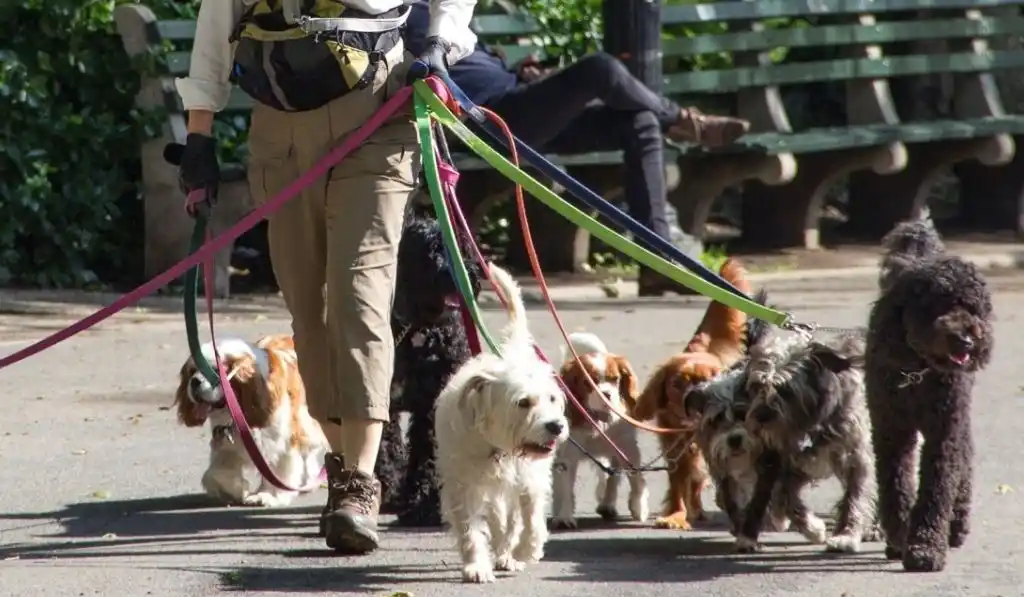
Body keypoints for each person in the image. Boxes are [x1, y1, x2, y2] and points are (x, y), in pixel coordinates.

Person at [173, 0, 478, 555]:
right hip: (280, 128)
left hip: (377, 113)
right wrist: (199, 138)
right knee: (308, 312)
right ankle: (341, 468)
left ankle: (360, 483)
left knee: (358, 298)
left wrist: (439, 43)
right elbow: (217, 22)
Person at [403, 0, 751, 296]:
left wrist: (524, 74)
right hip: (491, 118)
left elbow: (471, 67)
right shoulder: (404, 14)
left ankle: (657, 258)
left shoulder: (440, 9)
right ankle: (685, 121)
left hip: (522, 107)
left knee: (639, 121)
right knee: (599, 69)